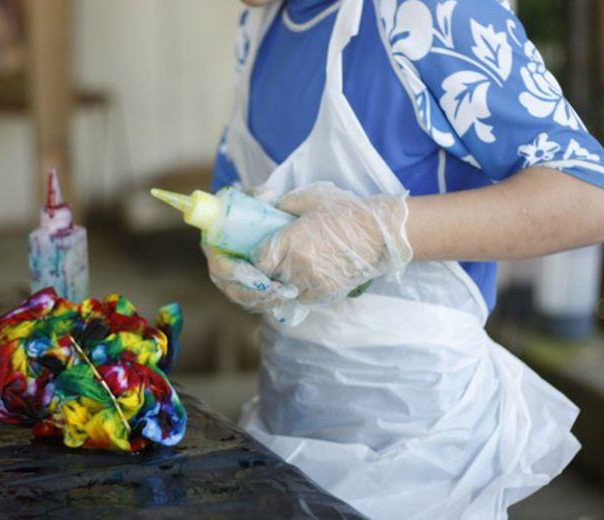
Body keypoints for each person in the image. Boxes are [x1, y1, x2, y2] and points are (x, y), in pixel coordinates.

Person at [204, 0, 604, 519]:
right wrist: (230, 245)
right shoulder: (259, 27)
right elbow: (233, 191)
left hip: (425, 459)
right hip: (284, 437)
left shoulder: (427, 13)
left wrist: (381, 231)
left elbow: (586, 194)